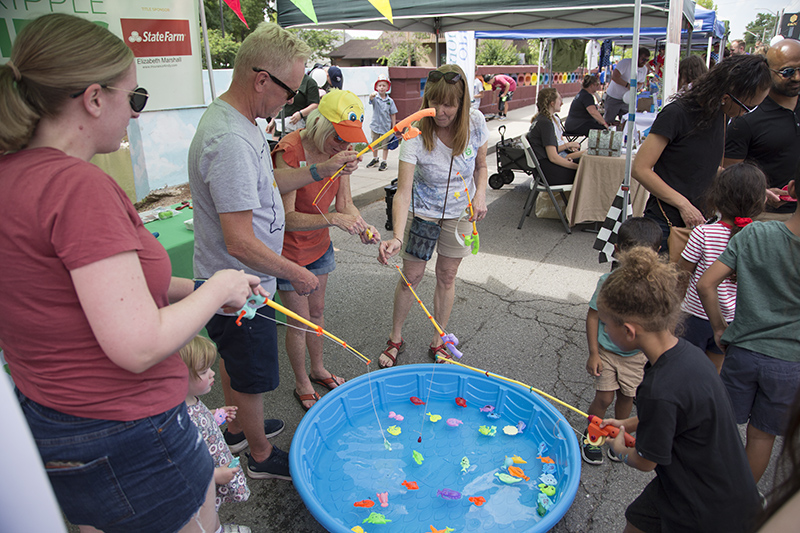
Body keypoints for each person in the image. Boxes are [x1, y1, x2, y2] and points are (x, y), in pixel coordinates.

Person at [0, 13, 265, 532]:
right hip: (126, 431)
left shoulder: (14, 176)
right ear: (94, 99)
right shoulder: (77, 188)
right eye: (134, 98)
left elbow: (106, 288)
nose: (137, 115)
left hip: (56, 421)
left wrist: (206, 291)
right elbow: (137, 342)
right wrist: (220, 286)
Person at [188, 23, 359, 481]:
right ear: (261, 79)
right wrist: (295, 271)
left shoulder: (241, 124)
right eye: (290, 88)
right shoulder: (229, 141)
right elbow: (239, 239)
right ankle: (260, 457)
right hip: (240, 284)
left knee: (236, 363)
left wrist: (321, 168)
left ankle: (241, 428)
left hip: (238, 281)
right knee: (252, 373)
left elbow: (268, 186)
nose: (291, 99)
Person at [598, 248, 760, 533]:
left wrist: (619, 448)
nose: (605, 331)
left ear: (628, 330)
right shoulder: (688, 354)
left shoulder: (660, 389)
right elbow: (681, 413)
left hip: (705, 503)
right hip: (697, 481)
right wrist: (629, 423)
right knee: (636, 521)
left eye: (605, 325)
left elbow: (646, 461)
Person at [273, 90, 380, 411]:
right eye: (337, 136)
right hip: (289, 253)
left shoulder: (345, 148)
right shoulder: (290, 150)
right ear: (319, 123)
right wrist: (332, 219)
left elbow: (345, 204)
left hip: (319, 246)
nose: (344, 144)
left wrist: (365, 228)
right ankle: (301, 381)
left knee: (317, 314)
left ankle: (318, 369)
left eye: (349, 138)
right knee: (300, 322)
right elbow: (287, 219)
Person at [377, 64, 489, 367]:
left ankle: (439, 339)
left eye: (449, 104)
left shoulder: (476, 122)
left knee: (447, 276)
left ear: (462, 103)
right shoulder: (413, 130)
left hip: (459, 210)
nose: (440, 111)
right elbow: (402, 191)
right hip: (422, 212)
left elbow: (481, 166)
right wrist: (398, 237)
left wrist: (481, 193)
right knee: (411, 276)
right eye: (433, 102)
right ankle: (395, 338)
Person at [697, 176, 800, 486]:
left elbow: (705, 284)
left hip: (742, 350)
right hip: (790, 363)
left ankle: (705, 489)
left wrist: (719, 328)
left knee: (721, 428)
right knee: (761, 438)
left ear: (792, 189)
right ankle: (735, 500)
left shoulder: (755, 233)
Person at [632, 54, 771, 254]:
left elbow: (707, 166)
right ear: (725, 97)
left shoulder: (720, 116)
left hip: (699, 222)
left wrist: (751, 187)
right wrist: (683, 205)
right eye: (746, 107)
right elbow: (640, 168)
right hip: (666, 222)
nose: (744, 114)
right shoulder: (677, 113)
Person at [582, 217, 662, 466]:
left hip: (636, 356)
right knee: (604, 398)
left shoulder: (656, 286)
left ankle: (618, 435)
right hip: (607, 351)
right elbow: (593, 315)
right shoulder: (607, 283)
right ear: (617, 251)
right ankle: (593, 435)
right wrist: (594, 352)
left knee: (627, 398)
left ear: (658, 253)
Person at [677, 163, 766, 373]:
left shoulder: (703, 233)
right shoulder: (758, 238)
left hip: (694, 317)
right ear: (760, 201)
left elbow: (681, 275)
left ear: (717, 196)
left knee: (684, 371)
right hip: (733, 321)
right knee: (713, 375)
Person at [724, 38, 800, 222]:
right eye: (787, 72)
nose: (797, 77)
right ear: (768, 71)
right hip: (763, 217)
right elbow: (729, 173)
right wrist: (760, 192)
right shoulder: (746, 116)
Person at [179, 337, 250, 527]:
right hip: (206, 474)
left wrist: (214, 415)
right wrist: (215, 475)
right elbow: (183, 463)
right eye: (203, 372)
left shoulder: (189, 399)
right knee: (204, 510)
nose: (212, 374)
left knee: (212, 506)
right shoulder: (178, 421)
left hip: (213, 464)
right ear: (177, 380)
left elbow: (200, 421)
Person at [756, 388, 800, 531]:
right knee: (762, 436)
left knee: (727, 421)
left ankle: (739, 493)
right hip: (783, 369)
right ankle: (742, 495)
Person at [526, 88, 582, 186]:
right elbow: (553, 158)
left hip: (544, 171)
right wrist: (577, 167)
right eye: (559, 100)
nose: (562, 103)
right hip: (549, 174)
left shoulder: (541, 120)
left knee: (585, 162)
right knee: (588, 172)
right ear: (552, 103)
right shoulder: (546, 123)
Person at [604, 47, 650, 124]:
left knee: (626, 122)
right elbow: (614, 77)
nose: (644, 62)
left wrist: (636, 87)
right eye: (643, 59)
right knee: (608, 120)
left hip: (627, 99)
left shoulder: (644, 69)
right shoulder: (625, 63)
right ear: (637, 56)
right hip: (614, 97)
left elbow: (641, 82)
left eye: (647, 60)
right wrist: (627, 85)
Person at [366, 75, 397, 171]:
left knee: (385, 145)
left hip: (386, 127)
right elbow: (370, 100)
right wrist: (371, 96)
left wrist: (394, 126)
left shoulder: (390, 101)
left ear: (387, 88)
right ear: (376, 87)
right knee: (374, 144)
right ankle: (375, 159)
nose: (382, 87)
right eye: (380, 85)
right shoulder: (375, 98)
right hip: (375, 126)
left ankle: (384, 161)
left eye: (384, 85)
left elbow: (393, 114)